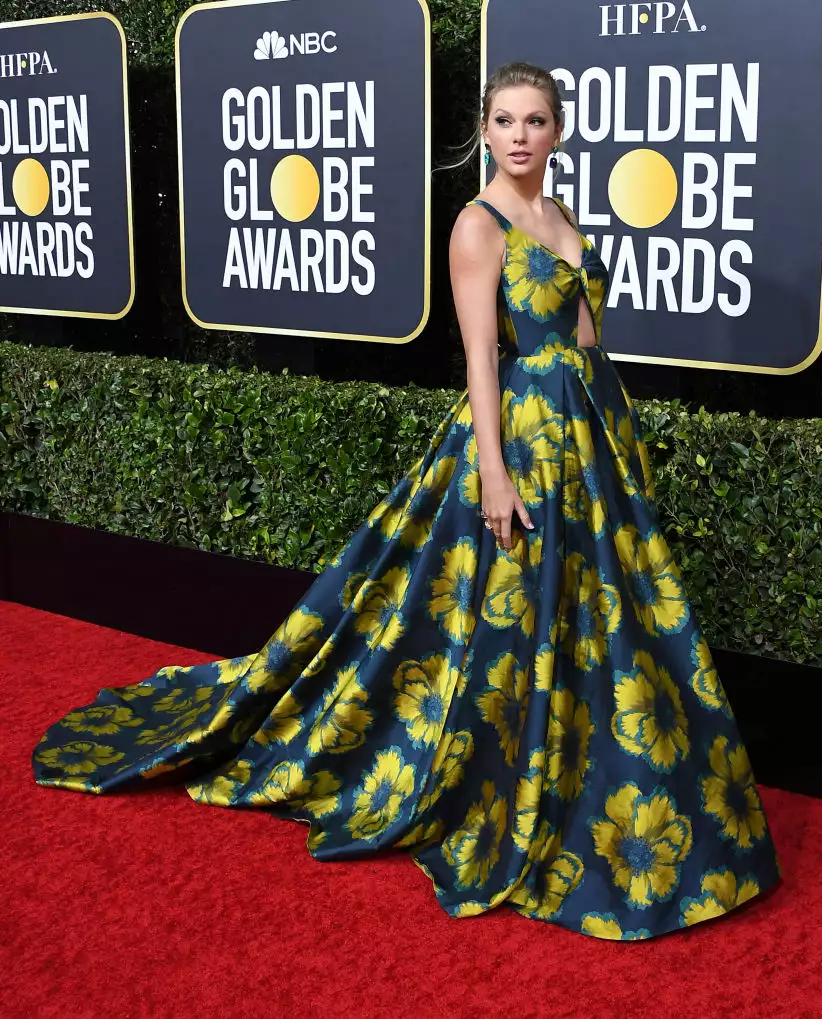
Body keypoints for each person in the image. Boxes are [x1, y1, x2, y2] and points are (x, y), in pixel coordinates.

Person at [33, 62, 782, 940]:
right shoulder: (479, 225)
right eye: (504, 119)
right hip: (524, 441)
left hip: (589, 436)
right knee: (516, 621)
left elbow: (585, 339)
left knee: (600, 618)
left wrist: (611, 433)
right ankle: (516, 783)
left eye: (535, 120)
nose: (517, 135)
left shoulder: (565, 219)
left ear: (558, 131)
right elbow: (479, 359)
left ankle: (603, 775)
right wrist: (494, 473)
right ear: (484, 130)